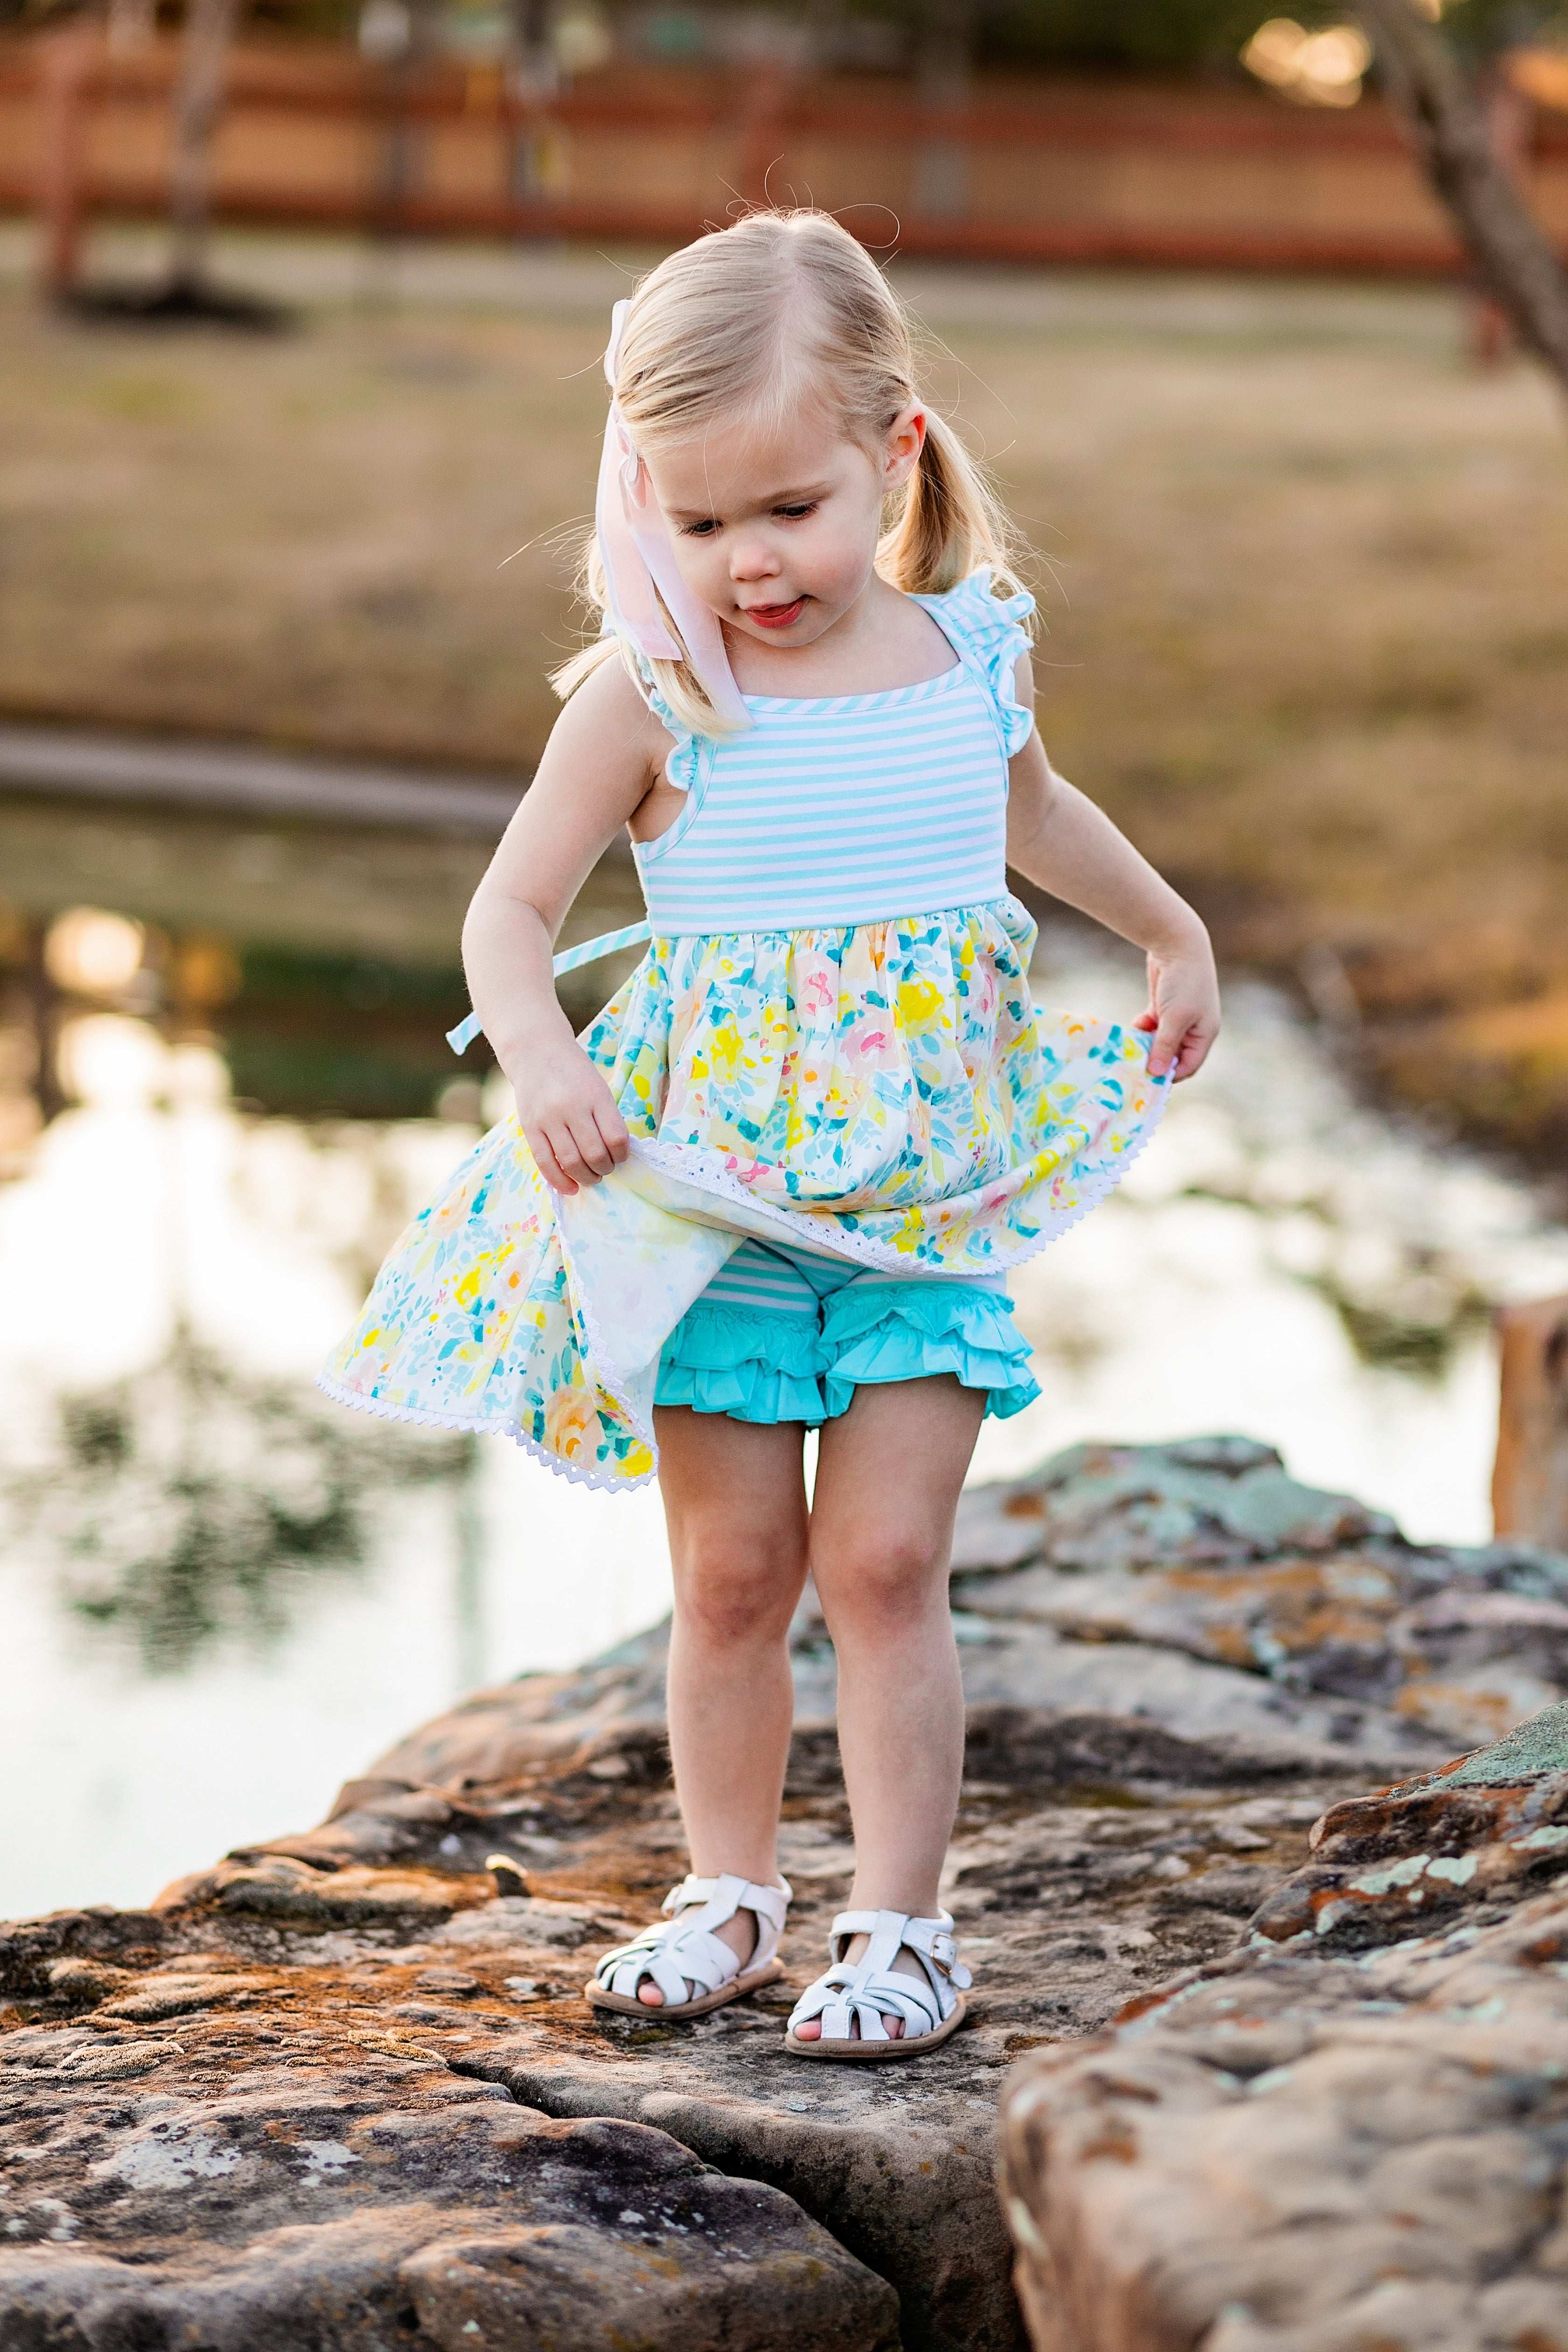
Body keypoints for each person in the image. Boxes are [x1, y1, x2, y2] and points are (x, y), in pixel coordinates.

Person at [322, 209, 1219, 2061]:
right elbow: (507, 916)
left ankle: (902, 1927)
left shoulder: (970, 656)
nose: (751, 564)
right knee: (733, 1574)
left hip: (918, 1203)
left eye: (789, 510)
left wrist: (1171, 930)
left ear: (891, 453)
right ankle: (728, 1889)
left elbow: (1034, 815)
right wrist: (547, 1062)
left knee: (886, 1565)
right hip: (705, 1205)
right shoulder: (655, 694)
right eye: (699, 521)